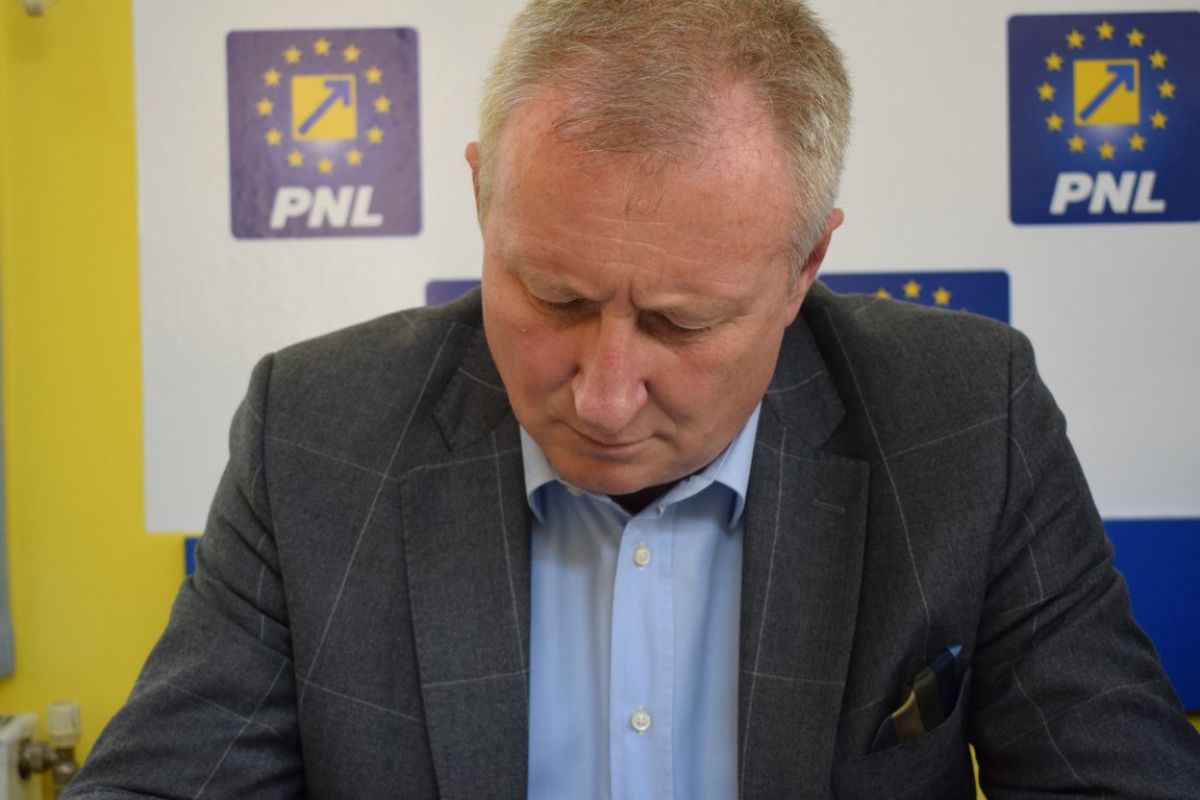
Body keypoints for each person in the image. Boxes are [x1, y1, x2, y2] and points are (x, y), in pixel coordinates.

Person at [67, 0, 1200, 798]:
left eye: (681, 323)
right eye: (552, 297)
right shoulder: (317, 432)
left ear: (805, 267)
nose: (605, 398)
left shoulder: (964, 420)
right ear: (482, 198)